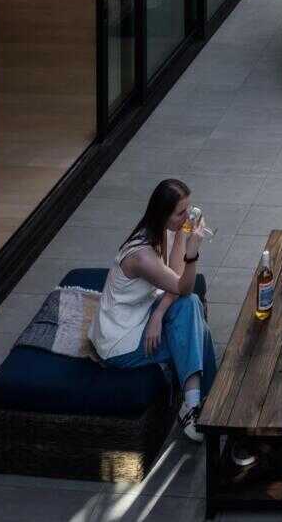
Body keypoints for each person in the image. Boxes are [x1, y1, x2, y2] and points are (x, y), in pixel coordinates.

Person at [89, 177, 218, 440]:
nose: (188, 216)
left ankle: (202, 403)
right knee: (194, 331)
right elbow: (183, 285)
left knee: (191, 307)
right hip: (120, 339)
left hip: (143, 313)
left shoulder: (164, 229)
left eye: (188, 209)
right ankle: (202, 405)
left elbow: (175, 279)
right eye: (181, 213)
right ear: (163, 214)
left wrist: (158, 314)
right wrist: (192, 252)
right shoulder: (141, 256)